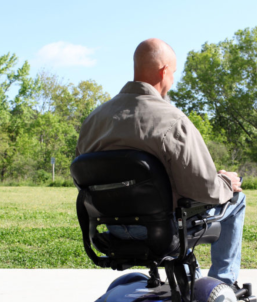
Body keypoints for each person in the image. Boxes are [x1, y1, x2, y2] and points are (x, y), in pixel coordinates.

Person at [76, 38, 246, 288]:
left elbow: (84, 181)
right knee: (235, 199)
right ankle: (223, 284)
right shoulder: (172, 120)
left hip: (109, 230)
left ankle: (191, 277)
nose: (173, 80)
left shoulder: (94, 121)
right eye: (174, 73)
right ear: (164, 70)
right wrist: (225, 182)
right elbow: (204, 189)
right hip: (160, 231)